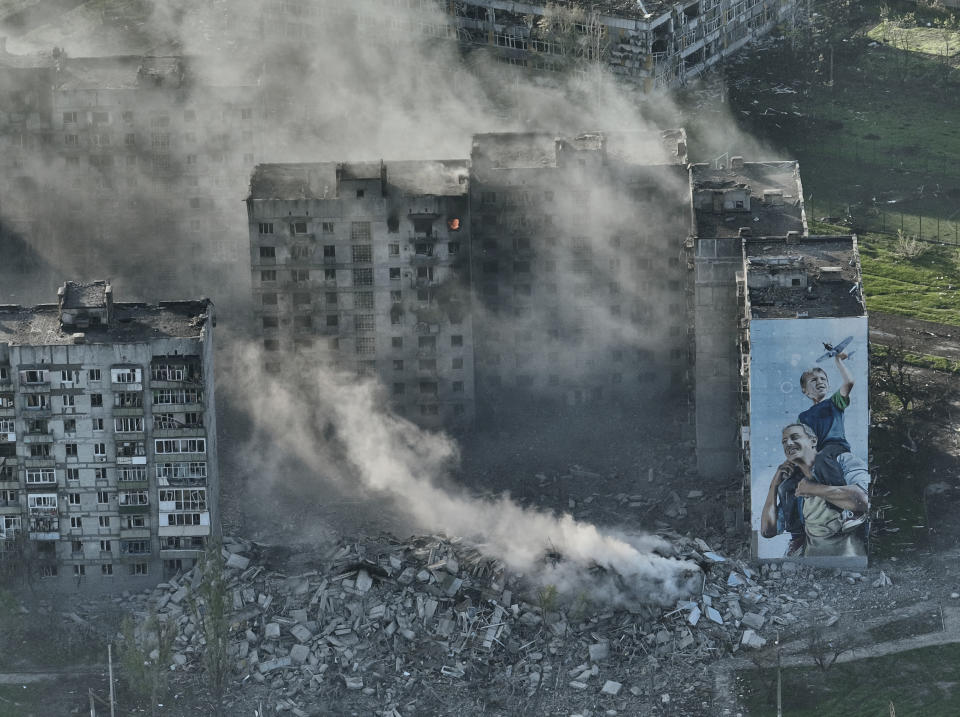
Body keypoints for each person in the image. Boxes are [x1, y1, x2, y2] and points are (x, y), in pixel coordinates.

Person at [761, 423, 869, 558]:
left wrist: (813, 489)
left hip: (849, 556)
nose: (788, 443)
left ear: (813, 441)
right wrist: (774, 486)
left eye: (795, 437)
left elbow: (864, 500)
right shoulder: (791, 486)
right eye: (784, 441)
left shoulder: (840, 460)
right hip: (810, 561)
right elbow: (767, 531)